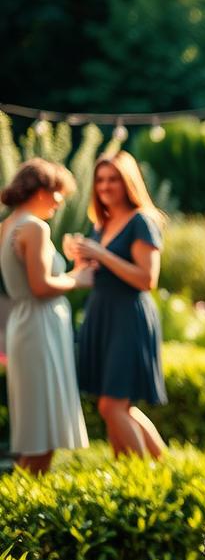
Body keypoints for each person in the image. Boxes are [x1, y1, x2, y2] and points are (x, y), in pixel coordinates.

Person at [73, 151, 169, 458]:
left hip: (128, 317)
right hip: (102, 313)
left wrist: (101, 254)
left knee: (112, 405)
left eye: (113, 179)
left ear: (128, 182)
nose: (105, 186)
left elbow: (147, 279)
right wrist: (80, 259)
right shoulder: (101, 224)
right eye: (100, 180)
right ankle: (160, 464)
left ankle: (139, 476)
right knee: (115, 405)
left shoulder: (141, 221)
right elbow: (97, 275)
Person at [0, 159, 90, 473]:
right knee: (43, 431)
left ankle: (23, 494)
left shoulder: (7, 225)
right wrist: (78, 279)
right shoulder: (35, 227)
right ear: (41, 191)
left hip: (26, 323)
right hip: (39, 327)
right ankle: (27, 497)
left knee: (36, 426)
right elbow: (40, 286)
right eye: (57, 193)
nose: (60, 201)